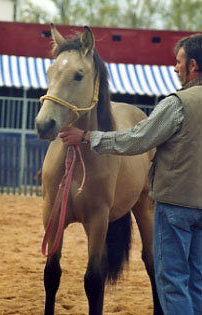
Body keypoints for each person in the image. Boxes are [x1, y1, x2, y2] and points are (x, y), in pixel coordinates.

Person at [59, 34, 202, 315]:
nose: (175, 68)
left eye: (178, 62)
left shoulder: (177, 104)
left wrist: (88, 136)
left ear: (194, 66)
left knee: (172, 281)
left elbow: (137, 140)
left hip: (175, 205)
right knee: (197, 281)